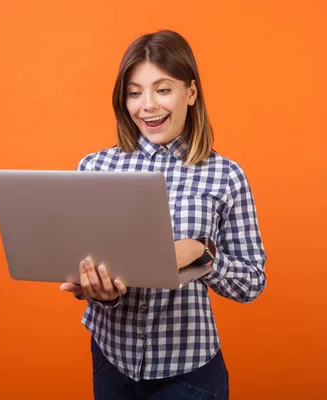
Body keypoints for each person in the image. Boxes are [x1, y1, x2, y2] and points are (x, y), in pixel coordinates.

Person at [60, 29, 267, 400]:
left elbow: (253, 282)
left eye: (162, 89)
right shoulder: (95, 167)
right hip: (111, 363)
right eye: (134, 93)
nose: (147, 106)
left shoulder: (225, 175)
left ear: (190, 92)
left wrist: (200, 255)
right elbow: (89, 261)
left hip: (188, 375)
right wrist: (98, 291)